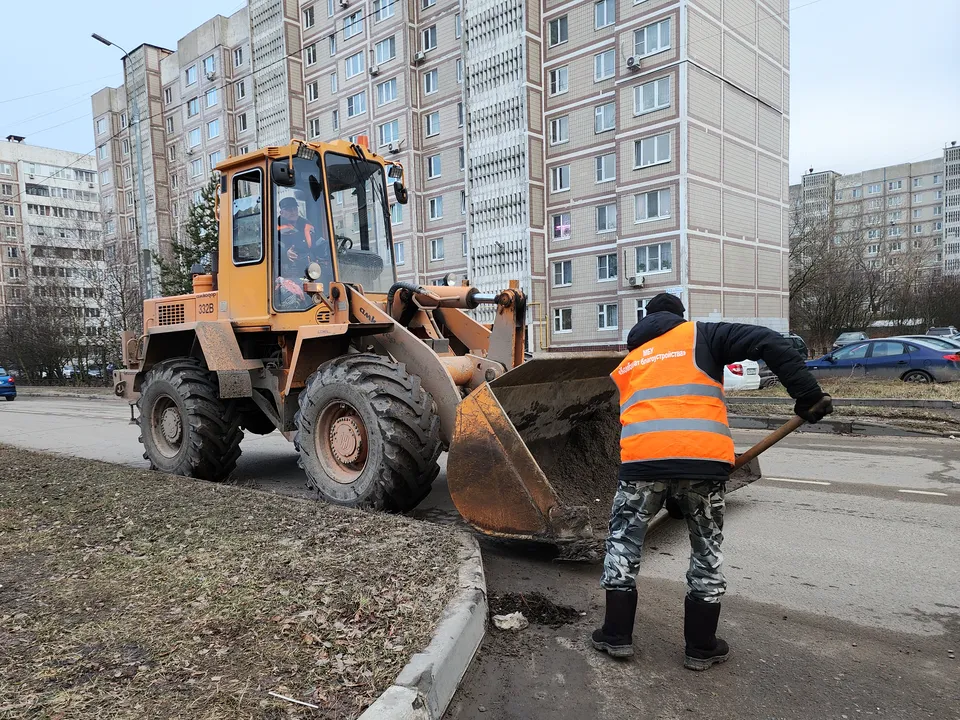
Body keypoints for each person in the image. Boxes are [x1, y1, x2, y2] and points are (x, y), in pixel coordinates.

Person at [591, 292, 832, 670]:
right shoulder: (701, 336)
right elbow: (769, 341)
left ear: (646, 321)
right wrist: (808, 395)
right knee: (706, 550)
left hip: (642, 466)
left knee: (623, 544)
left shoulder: (633, 358)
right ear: (679, 317)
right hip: (702, 465)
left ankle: (616, 635)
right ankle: (701, 647)